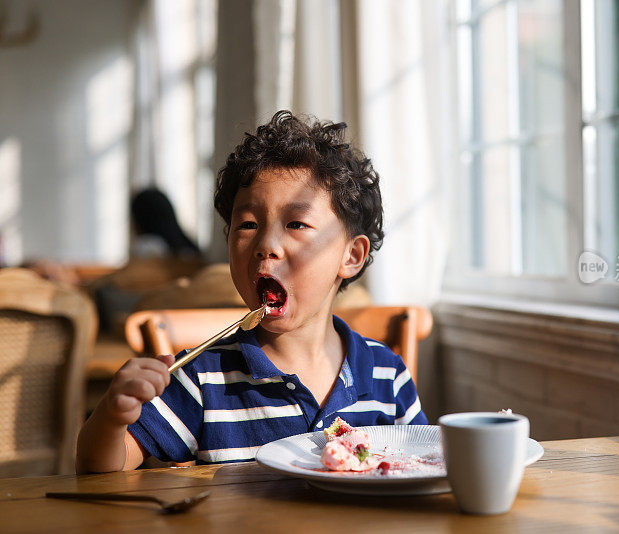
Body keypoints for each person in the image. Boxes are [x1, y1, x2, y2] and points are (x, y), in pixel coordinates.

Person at [76, 110, 426, 472]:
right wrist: (111, 417)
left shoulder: (387, 374)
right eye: (247, 224)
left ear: (351, 256)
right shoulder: (203, 379)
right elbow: (101, 472)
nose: (266, 244)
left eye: (296, 223)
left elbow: (419, 465)